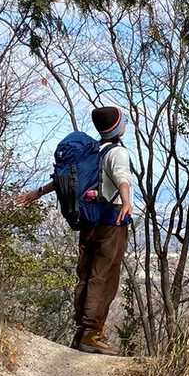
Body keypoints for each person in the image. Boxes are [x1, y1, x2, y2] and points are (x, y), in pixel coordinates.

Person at [17, 105, 133, 355]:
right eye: (123, 121)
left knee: (86, 273)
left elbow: (64, 179)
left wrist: (38, 193)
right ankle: (91, 333)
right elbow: (122, 176)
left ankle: (82, 331)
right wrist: (126, 201)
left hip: (88, 221)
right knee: (103, 276)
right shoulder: (117, 152)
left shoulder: (91, 152)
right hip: (111, 222)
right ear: (117, 127)